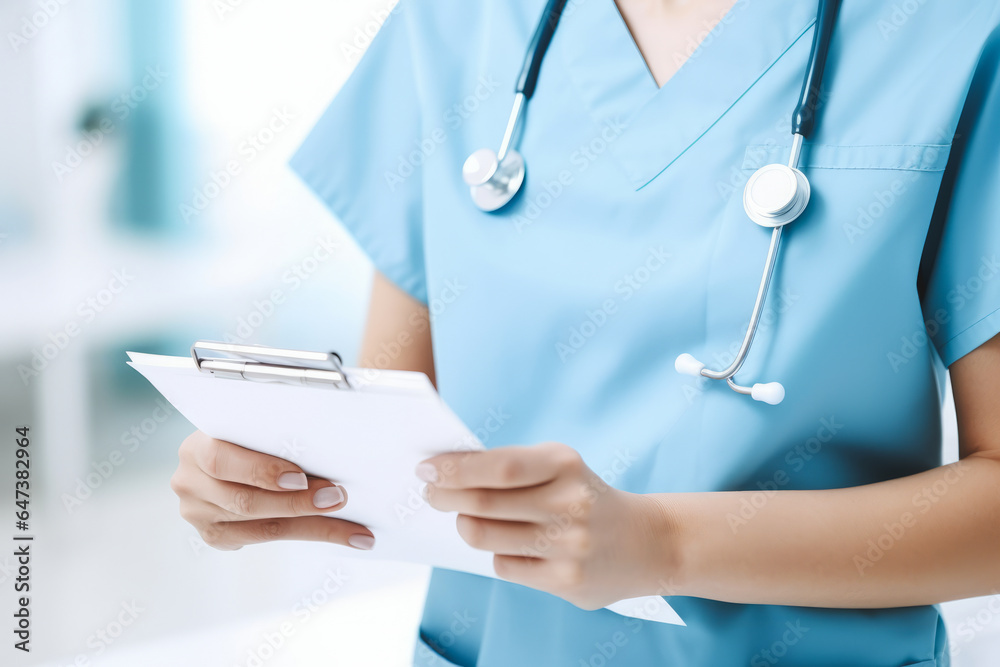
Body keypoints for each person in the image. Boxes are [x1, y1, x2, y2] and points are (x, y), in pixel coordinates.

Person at [169, 0, 1000, 664]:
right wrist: (270, 473)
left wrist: (666, 544)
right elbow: (398, 429)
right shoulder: (453, 22)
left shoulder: (954, 32)